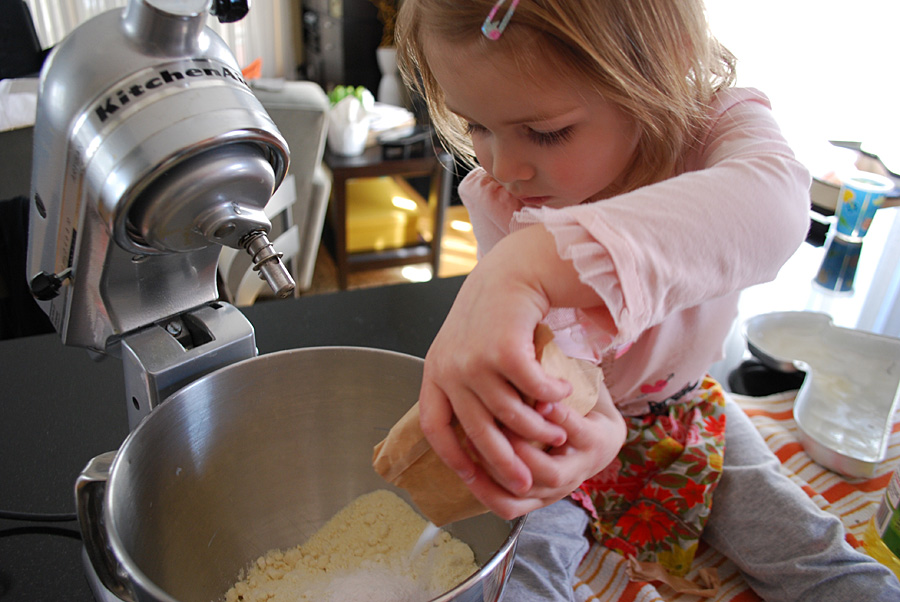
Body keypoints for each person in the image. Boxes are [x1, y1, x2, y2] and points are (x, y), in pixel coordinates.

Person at [393, 0, 900, 600]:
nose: (503, 166)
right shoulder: (501, 199)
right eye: (475, 125)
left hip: (683, 409)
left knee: (807, 549)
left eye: (547, 131)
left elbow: (775, 207)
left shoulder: (714, 130)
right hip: (568, 429)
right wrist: (582, 416)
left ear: (656, 71)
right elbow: (559, 345)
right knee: (521, 571)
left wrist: (526, 265)